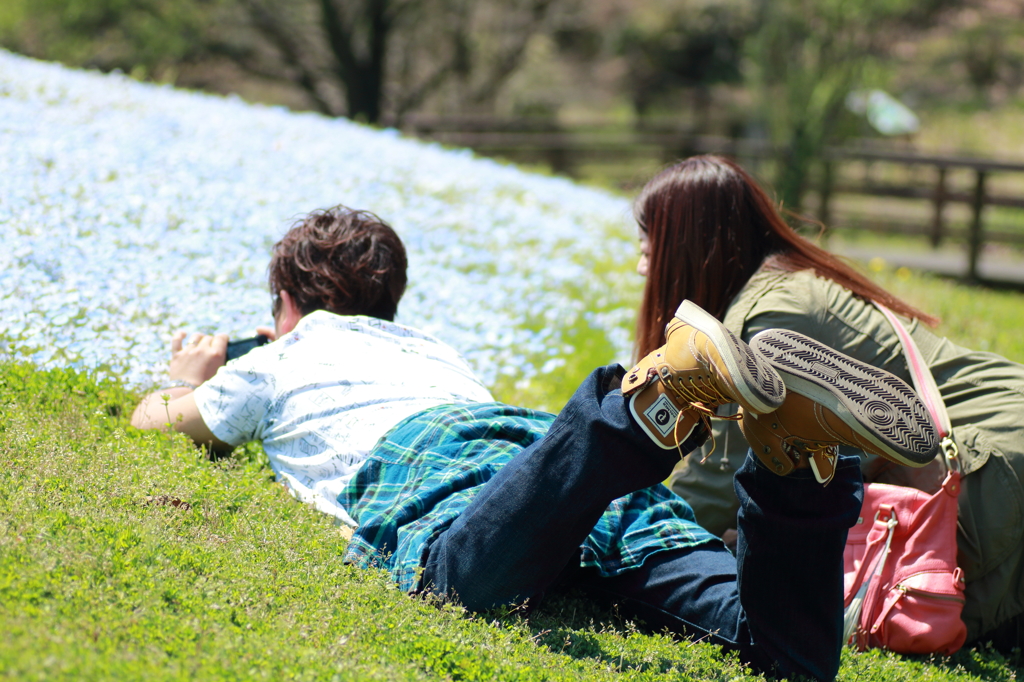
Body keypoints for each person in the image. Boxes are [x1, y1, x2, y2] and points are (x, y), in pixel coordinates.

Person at [131, 204, 938, 681]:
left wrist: (188, 374)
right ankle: (797, 464)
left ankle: (642, 404)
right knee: (782, 658)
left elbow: (161, 424)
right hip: (536, 455)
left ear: (283, 303)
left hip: (447, 459)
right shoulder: (433, 351)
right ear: (393, 299)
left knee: (455, 578)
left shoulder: (286, 353)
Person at [633, 154, 1024, 651]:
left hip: (991, 466)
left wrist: (622, 528)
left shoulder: (767, 319)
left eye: (648, 248)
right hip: (1001, 448)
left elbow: (715, 490)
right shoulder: (795, 285)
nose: (641, 266)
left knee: (896, 607)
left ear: (684, 247)